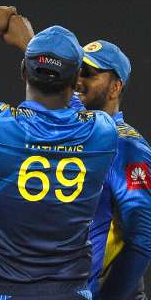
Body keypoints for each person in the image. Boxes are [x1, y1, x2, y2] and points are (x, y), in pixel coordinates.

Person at [0, 6, 119, 300]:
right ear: (75, 81)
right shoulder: (103, 130)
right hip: (71, 293)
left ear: (23, 72)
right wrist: (32, 45)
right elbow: (72, 107)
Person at [77, 41, 151, 299]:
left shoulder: (125, 146)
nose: (78, 80)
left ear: (115, 87)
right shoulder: (72, 136)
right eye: (77, 71)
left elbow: (143, 238)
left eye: (89, 73)